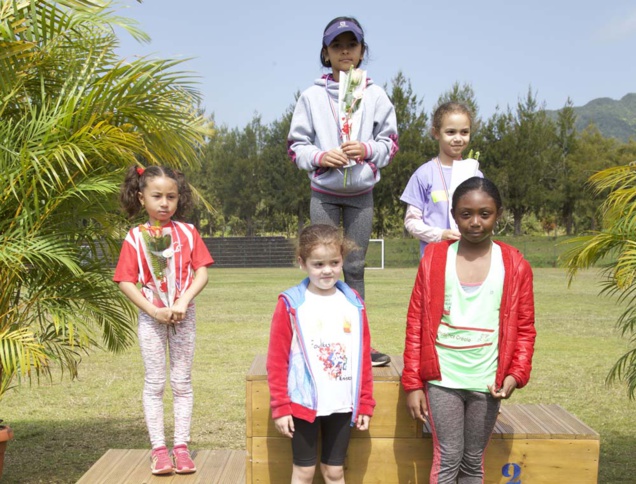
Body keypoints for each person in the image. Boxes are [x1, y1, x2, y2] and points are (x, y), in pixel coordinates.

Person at [401, 177, 536, 483]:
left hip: (487, 381)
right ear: (454, 214)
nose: (475, 222)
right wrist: (413, 384)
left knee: (473, 461)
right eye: (466, 214)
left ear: (497, 214)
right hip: (442, 378)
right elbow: (415, 323)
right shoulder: (435, 259)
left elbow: (525, 328)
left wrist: (515, 374)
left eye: (484, 214)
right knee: (448, 456)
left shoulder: (515, 266)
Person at [287, 16, 399, 367]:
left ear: (363, 51)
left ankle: (361, 344)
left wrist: (366, 150)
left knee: (354, 266)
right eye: (337, 45)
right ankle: (318, 338)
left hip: (361, 195)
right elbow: (296, 147)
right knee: (321, 264)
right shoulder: (312, 96)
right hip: (324, 191)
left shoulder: (376, 94)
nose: (345, 51)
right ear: (326, 53)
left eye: (352, 44)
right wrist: (321, 156)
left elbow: (390, 143)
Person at [113, 166, 214, 476]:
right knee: (155, 383)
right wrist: (153, 310)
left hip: (184, 317)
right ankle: (159, 449)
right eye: (156, 196)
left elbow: (202, 272)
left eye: (171, 196)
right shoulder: (134, 237)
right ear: (141, 197)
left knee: (182, 383)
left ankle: (181, 448)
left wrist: (183, 301)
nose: (164, 203)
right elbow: (126, 281)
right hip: (151, 318)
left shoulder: (189, 232)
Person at [267, 224, 375, 484]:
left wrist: (365, 402)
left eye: (334, 262)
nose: (327, 270)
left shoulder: (353, 302)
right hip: (303, 406)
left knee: (334, 472)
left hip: (342, 405)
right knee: (303, 472)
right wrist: (280, 407)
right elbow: (276, 359)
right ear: (302, 263)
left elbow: (363, 357)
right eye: (318, 264)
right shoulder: (291, 303)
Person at [400, 102, 482, 257]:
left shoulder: (476, 175)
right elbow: (411, 222)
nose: (458, 138)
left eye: (464, 132)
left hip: (469, 259)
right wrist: (440, 235)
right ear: (436, 133)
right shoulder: (423, 174)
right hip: (435, 259)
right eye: (450, 132)